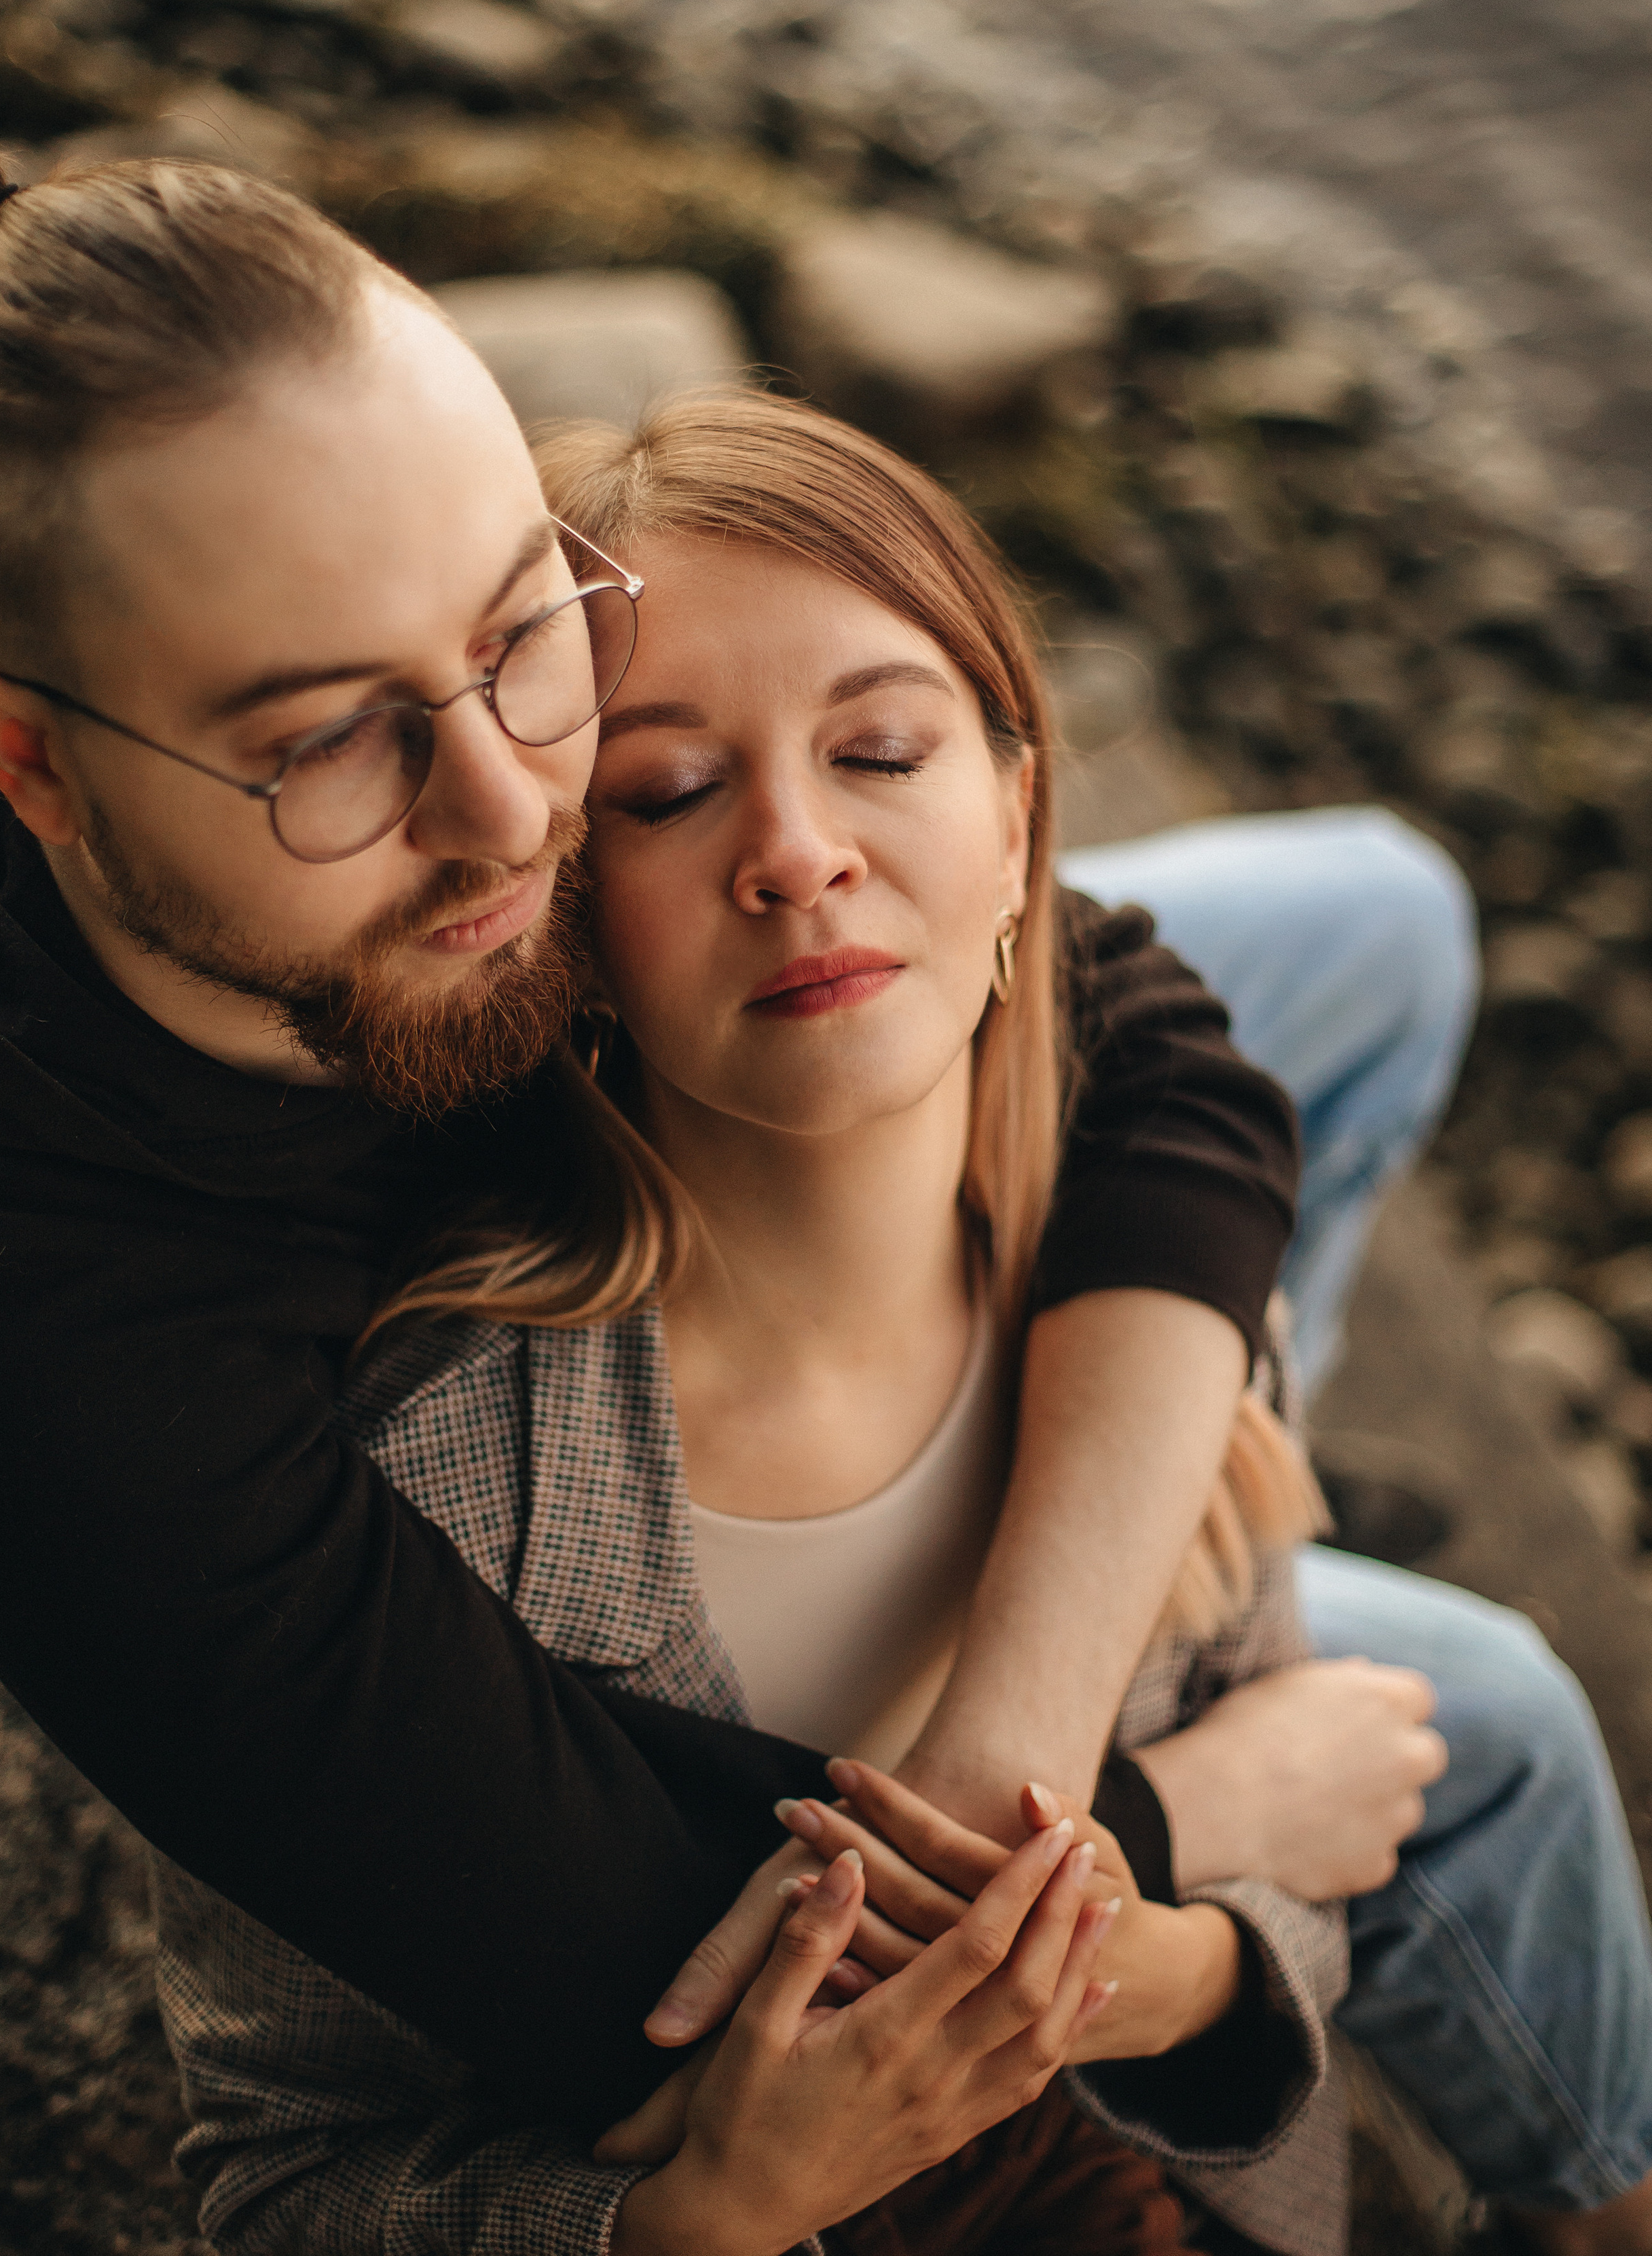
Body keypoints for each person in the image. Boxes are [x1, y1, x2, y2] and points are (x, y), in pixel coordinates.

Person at [0, 128, 1645, 2243]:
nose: (508, 813)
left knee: (1373, 929)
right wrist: (1156, 1811)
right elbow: (641, 1993)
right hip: (674, 1685)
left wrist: (1053, 1645)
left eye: (527, 624)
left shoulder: (495, 787)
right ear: (29, 767)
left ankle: (1203, 1463)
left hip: (822, 1322)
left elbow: (1154, 1047)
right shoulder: (52, 1364)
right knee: (1493, 1730)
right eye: (326, 744)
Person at [150, 392, 1347, 2256]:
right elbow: (283, 2173)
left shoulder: (1150, 1306)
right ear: (556, 909)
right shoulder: (437, 1486)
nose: (795, 852)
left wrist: (1157, 1969)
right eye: (667, 792)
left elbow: (1310, 1879)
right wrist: (700, 2212)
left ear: (1023, 817)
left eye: (880, 748)